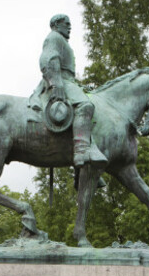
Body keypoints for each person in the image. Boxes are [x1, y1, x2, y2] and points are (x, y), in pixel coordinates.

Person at [30, 14, 107, 168]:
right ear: (57, 24)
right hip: (61, 81)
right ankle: (81, 151)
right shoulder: (54, 37)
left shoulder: (61, 41)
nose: (70, 27)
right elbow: (48, 60)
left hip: (68, 81)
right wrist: (56, 84)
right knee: (86, 106)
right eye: (67, 24)